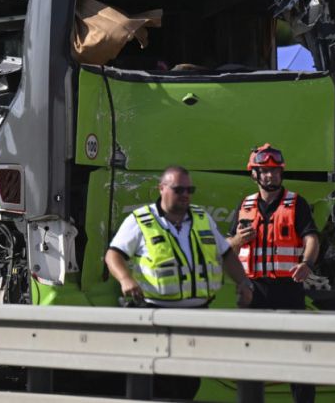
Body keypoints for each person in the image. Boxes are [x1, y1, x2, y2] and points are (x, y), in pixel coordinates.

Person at [105, 165, 253, 400]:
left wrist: (243, 282)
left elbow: (225, 254)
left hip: (197, 315)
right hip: (156, 314)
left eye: (189, 189)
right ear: (162, 188)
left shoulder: (202, 218)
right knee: (159, 381)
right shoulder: (141, 220)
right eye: (179, 189)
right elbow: (113, 255)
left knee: (188, 382)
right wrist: (125, 279)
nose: (185, 194)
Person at [226, 143, 319, 403]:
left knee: (298, 355)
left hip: (288, 290)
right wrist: (237, 240)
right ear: (254, 174)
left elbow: (311, 237)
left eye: (275, 171)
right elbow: (227, 250)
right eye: (264, 171)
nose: (270, 175)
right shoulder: (244, 205)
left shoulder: (296, 203)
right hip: (254, 290)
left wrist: (307, 263)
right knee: (250, 355)